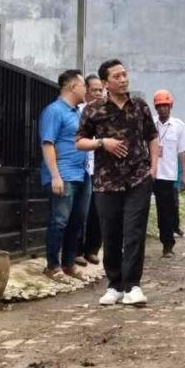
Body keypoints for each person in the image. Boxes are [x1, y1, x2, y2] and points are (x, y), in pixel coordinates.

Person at [76, 59, 158, 306]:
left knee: (134, 233)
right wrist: (103, 143)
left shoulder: (140, 106)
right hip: (106, 181)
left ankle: (133, 286)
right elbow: (79, 141)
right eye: (117, 76)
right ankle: (115, 285)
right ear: (105, 83)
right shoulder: (93, 110)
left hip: (138, 179)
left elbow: (152, 137)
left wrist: (152, 168)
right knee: (110, 234)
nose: (123, 79)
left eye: (125, 74)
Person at [39, 70, 90, 281]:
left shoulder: (77, 113)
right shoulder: (54, 111)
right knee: (59, 221)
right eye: (83, 85)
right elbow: (47, 143)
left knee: (77, 221)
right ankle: (52, 265)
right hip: (64, 174)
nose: (85, 89)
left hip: (81, 174)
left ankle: (68, 264)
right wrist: (55, 176)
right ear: (72, 87)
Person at [151, 90, 185, 257]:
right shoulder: (150, 123)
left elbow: (183, 152)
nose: (162, 109)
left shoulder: (178, 126)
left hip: (167, 176)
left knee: (166, 211)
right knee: (139, 209)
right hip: (149, 173)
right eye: (159, 106)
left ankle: (168, 245)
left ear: (171, 106)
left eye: (165, 106)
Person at [76, 73, 105, 266]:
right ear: (86, 90)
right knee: (80, 211)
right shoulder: (77, 111)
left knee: (99, 210)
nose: (98, 93)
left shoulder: (106, 112)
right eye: (94, 89)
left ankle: (92, 249)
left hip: (101, 168)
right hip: (81, 167)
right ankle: (76, 250)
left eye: (100, 90)